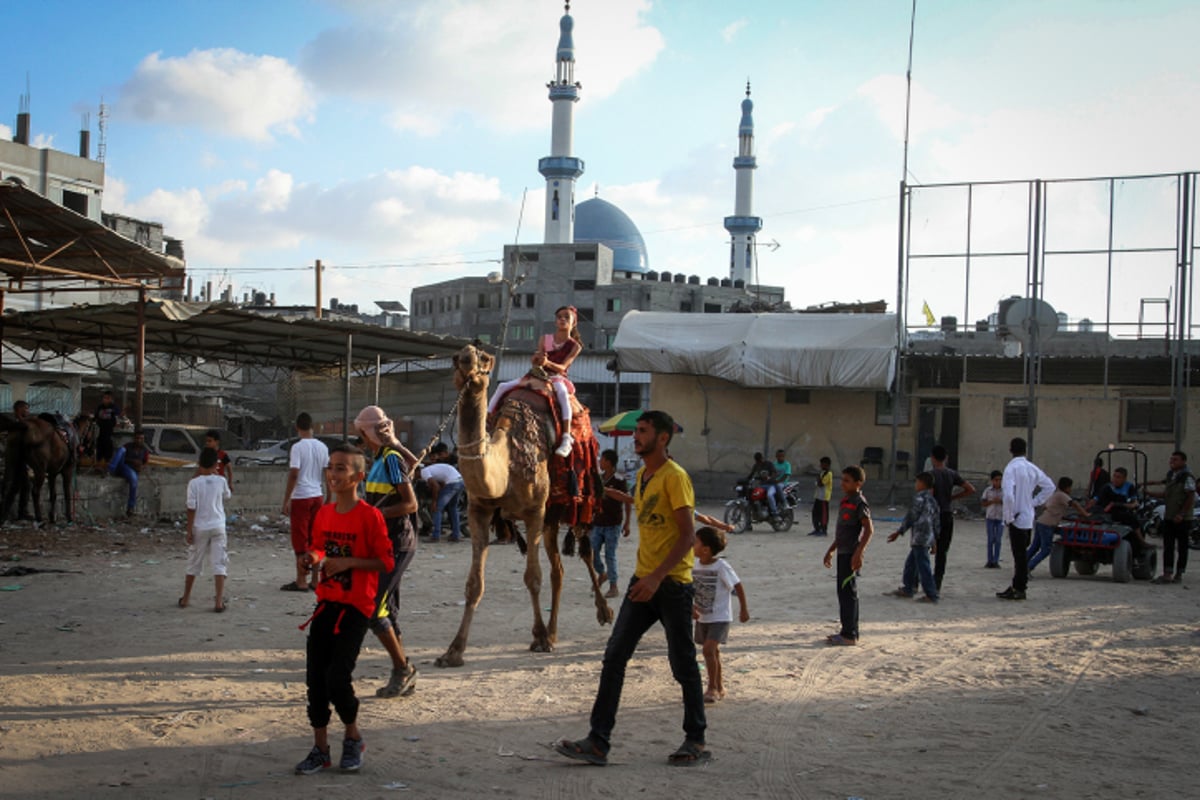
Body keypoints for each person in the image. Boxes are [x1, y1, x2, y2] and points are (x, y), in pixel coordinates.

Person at [555, 410, 710, 767]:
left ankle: (696, 738)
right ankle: (598, 741)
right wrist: (606, 491)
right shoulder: (643, 476)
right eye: (636, 432)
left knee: (682, 664)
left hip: (671, 585)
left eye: (643, 432)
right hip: (642, 583)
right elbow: (642, 506)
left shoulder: (676, 477)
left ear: (664, 438)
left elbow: (688, 536)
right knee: (614, 656)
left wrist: (657, 577)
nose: (636, 437)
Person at [294, 444, 393, 775]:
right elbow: (321, 547)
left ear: (357, 477)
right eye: (330, 467)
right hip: (326, 604)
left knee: (338, 678)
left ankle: (353, 737)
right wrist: (314, 558)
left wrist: (348, 561)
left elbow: (385, 561)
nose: (333, 474)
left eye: (341, 468)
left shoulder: (370, 516)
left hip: (356, 608)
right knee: (315, 681)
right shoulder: (323, 513)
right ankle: (320, 748)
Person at [353, 405, 421, 699]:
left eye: (361, 435)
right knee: (386, 610)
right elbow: (415, 464)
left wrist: (376, 517)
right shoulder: (382, 458)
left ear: (365, 433)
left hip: (398, 543)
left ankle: (402, 669)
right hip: (385, 543)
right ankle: (404, 671)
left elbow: (411, 504)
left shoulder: (390, 459)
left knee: (372, 608)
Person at [487, 305, 583, 458]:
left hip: (557, 377)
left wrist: (547, 363)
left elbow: (563, 367)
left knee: (563, 395)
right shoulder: (545, 339)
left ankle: (566, 437)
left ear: (574, 322)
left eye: (567, 316)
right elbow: (537, 360)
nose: (562, 319)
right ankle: (487, 421)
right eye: (559, 317)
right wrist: (536, 360)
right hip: (538, 375)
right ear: (555, 321)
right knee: (502, 386)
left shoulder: (575, 346)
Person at [692, 526, 749, 703]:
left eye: (695, 542)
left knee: (708, 650)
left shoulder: (721, 566)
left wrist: (743, 609)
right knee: (713, 652)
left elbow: (738, 585)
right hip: (703, 617)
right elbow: (689, 587)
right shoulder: (694, 564)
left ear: (706, 549)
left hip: (720, 617)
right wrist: (691, 607)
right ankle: (720, 685)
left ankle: (712, 688)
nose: (692, 545)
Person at [997, 437, 1054, 601]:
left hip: (1016, 517)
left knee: (1019, 556)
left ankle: (1020, 588)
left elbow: (1008, 495)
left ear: (1010, 449)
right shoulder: (1031, 468)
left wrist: (1008, 516)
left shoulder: (1011, 469)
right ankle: (1016, 585)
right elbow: (1049, 486)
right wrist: (1034, 502)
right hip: (1028, 516)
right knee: (1021, 554)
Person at [822, 465, 874, 645]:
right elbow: (843, 531)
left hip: (850, 554)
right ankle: (847, 631)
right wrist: (831, 549)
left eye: (847, 481)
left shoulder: (859, 502)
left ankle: (850, 635)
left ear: (858, 483)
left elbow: (868, 529)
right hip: (842, 552)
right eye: (842, 479)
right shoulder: (846, 501)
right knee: (843, 593)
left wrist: (859, 553)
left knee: (848, 593)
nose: (842, 483)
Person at [179, 447, 232, 612]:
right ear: (215, 464)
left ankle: (186, 598)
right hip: (218, 525)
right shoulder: (221, 480)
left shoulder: (194, 483)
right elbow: (227, 496)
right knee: (219, 563)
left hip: (200, 526)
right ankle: (218, 601)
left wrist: (189, 530)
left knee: (194, 563)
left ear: (199, 463)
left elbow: (191, 508)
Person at [281, 413, 329, 592]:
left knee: (300, 541)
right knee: (315, 538)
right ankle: (315, 579)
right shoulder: (322, 447)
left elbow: (294, 473)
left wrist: (287, 499)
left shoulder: (297, 447)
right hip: (317, 495)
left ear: (297, 427)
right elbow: (327, 474)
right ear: (312, 426)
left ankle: (301, 580)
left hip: (301, 496)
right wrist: (329, 495)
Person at [885, 471, 940, 602]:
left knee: (923, 566)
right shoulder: (933, 500)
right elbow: (936, 521)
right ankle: (908, 587)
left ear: (922, 483)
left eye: (917, 482)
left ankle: (931, 594)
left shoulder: (919, 498)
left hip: (919, 536)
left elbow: (911, 517)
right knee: (912, 563)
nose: (916, 485)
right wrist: (934, 540)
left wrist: (899, 532)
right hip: (927, 536)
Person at [928, 444, 976, 592]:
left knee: (922, 550)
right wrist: (953, 497)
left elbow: (929, 497)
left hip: (934, 514)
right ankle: (937, 584)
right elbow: (971, 489)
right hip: (947, 513)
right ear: (946, 458)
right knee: (942, 552)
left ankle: (917, 582)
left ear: (932, 458)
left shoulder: (930, 475)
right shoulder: (952, 474)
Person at [1146, 451, 1195, 584]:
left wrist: (1182, 514)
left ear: (1183, 462)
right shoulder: (1171, 476)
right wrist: (1149, 492)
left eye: (1176, 460)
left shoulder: (1187, 477)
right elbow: (1166, 494)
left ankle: (1179, 573)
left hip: (1182, 518)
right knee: (1168, 545)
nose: (1172, 462)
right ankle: (1167, 573)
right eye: (1171, 459)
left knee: (1182, 546)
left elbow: (1190, 496)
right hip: (1169, 516)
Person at [591, 448, 630, 599]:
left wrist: (627, 522)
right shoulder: (599, 479)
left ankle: (613, 586)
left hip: (613, 524)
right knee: (592, 552)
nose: (600, 462)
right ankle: (602, 573)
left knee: (610, 554)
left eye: (602, 460)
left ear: (608, 462)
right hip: (598, 522)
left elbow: (627, 501)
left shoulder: (619, 480)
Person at [1028, 477, 1089, 574]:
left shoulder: (1055, 494)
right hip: (1047, 524)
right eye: (1070, 488)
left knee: (1035, 546)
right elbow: (1074, 504)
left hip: (1041, 522)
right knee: (1046, 550)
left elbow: (1045, 507)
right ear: (1067, 487)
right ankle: (1029, 567)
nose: (1070, 490)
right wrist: (1085, 514)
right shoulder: (1062, 495)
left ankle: (1021, 565)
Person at [421, 460, 465, 542]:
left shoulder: (423, 472)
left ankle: (436, 536)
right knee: (453, 508)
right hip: (460, 481)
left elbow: (436, 486)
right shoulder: (432, 469)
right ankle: (456, 535)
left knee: (437, 508)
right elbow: (442, 483)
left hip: (452, 483)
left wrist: (434, 501)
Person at [110, 429, 151, 517]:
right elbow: (122, 458)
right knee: (121, 450)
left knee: (134, 481)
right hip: (123, 466)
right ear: (134, 439)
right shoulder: (128, 446)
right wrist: (133, 461)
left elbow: (145, 463)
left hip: (132, 470)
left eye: (141, 439)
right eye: (137, 438)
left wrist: (140, 467)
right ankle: (111, 469)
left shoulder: (144, 450)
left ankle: (130, 508)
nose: (139, 440)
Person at [980, 470, 1005, 568]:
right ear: (992, 481)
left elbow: (1009, 503)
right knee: (990, 539)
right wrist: (991, 502)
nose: (998, 482)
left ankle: (996, 560)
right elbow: (983, 503)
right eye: (996, 480)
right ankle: (989, 560)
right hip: (990, 517)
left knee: (998, 539)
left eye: (1000, 480)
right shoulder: (988, 490)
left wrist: (1001, 501)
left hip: (1000, 517)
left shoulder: (1005, 490)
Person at [744, 452, 778, 517]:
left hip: (771, 485)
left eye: (760, 460)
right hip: (762, 486)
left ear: (762, 458)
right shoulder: (756, 465)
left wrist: (770, 478)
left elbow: (775, 473)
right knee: (754, 495)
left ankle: (775, 513)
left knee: (770, 495)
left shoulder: (769, 464)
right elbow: (751, 475)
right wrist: (744, 480)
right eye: (757, 460)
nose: (759, 462)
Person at [94, 391, 121, 467]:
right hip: (101, 431)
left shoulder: (114, 408)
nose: (105, 400)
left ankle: (107, 465)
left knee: (108, 448)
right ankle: (98, 464)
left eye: (107, 398)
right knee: (99, 447)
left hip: (110, 432)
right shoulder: (100, 407)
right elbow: (96, 417)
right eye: (104, 398)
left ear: (111, 399)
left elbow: (117, 417)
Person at [809, 456, 833, 536]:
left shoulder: (829, 474)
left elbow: (821, 484)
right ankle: (817, 528)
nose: (821, 466)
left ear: (827, 465)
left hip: (824, 498)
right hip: (818, 496)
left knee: (823, 514)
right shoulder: (822, 473)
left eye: (823, 464)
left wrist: (818, 477)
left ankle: (823, 530)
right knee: (815, 513)